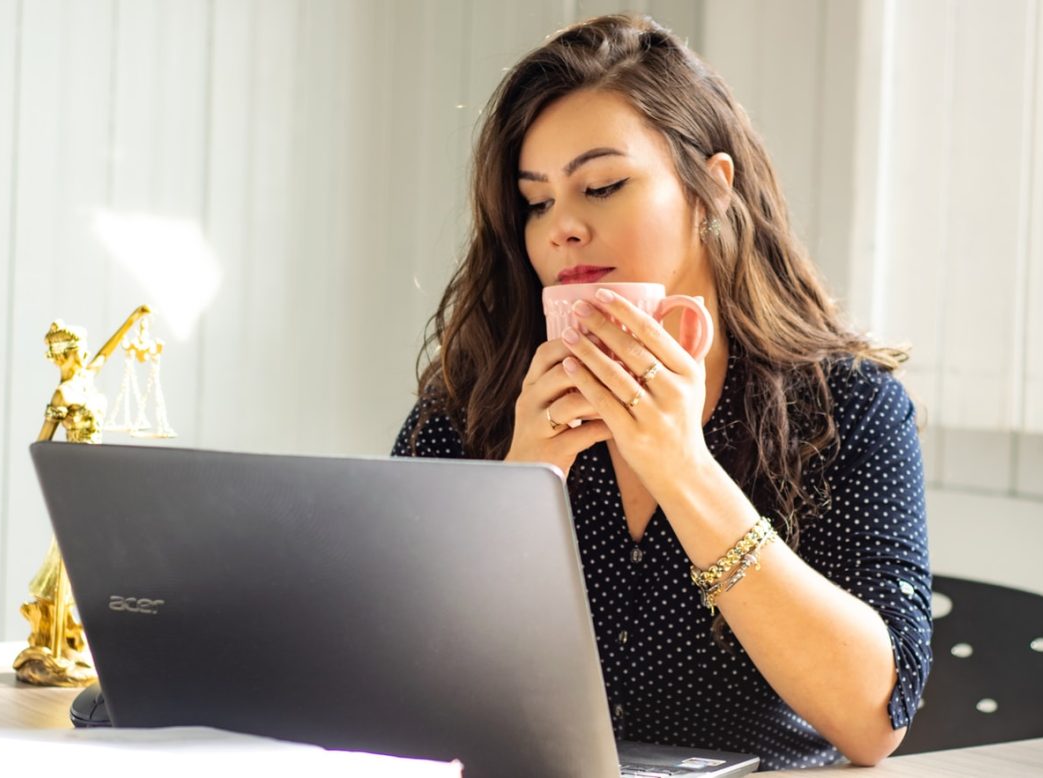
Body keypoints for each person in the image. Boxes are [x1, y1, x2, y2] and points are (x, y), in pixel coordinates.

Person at [391, 14, 931, 771]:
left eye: (603, 186)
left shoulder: (848, 409)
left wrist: (683, 468)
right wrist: (515, 491)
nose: (562, 229)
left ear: (710, 188)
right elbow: (390, 687)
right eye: (536, 202)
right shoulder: (473, 401)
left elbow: (874, 718)